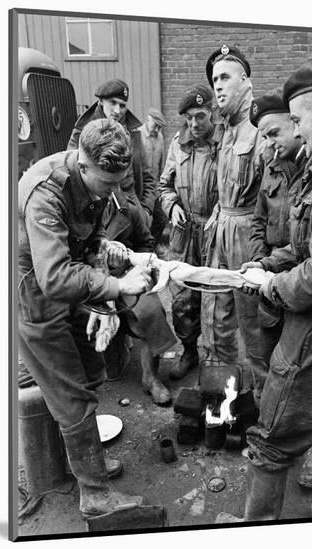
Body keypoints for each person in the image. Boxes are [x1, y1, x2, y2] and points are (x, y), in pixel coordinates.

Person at [18, 118, 152, 518]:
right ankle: (93, 494)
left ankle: (83, 462)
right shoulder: (46, 193)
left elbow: (84, 240)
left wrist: (100, 249)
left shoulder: (95, 183)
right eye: (108, 184)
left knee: (91, 370)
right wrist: (116, 287)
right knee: (70, 394)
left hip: (69, 287)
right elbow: (55, 277)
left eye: (121, 183)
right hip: (35, 299)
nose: (115, 194)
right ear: (83, 165)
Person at [216, 62, 312, 523]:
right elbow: (298, 243)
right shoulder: (298, 171)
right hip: (285, 291)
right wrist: (266, 262)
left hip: (306, 316)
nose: (278, 139)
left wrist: (273, 282)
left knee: (273, 432)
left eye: (294, 123)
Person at [204, 45, 267, 400]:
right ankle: (225, 398)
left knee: (253, 322)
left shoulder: (260, 131)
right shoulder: (225, 130)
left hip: (246, 234)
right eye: (215, 80)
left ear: (246, 81)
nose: (218, 86)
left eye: (225, 77)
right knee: (217, 316)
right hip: (221, 227)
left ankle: (263, 406)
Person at [159, 83, 221, 379]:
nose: (194, 124)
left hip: (214, 232)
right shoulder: (177, 144)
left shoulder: (225, 143)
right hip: (184, 232)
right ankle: (190, 351)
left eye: (200, 116)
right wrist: (171, 206)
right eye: (189, 118)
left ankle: (216, 358)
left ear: (212, 111)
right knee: (183, 298)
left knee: (215, 296)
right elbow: (164, 185)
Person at [101, 188, 176, 405]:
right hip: (91, 279)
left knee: (151, 311)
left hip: (127, 274)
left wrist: (126, 258)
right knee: (109, 371)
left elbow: (146, 243)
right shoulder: (74, 212)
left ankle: (150, 378)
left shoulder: (128, 211)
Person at [248, 89, 306, 364]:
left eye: (274, 133)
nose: (269, 143)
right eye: (265, 137)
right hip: (270, 277)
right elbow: (258, 221)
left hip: (303, 281)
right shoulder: (269, 167)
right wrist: (260, 263)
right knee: (267, 354)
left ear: (295, 123)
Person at [67, 78, 156, 226]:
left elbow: (148, 175)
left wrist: (146, 211)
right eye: (113, 103)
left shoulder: (132, 132)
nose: (117, 111)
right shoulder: (83, 132)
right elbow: (74, 175)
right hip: (100, 213)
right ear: (101, 101)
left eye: (122, 105)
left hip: (133, 209)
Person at [138, 108, 168, 246]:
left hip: (154, 189)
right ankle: (143, 247)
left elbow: (161, 164)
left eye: (159, 127)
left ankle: (152, 245)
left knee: (161, 218)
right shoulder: (137, 135)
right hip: (140, 190)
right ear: (147, 120)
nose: (157, 129)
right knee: (142, 221)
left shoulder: (160, 138)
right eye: (155, 125)